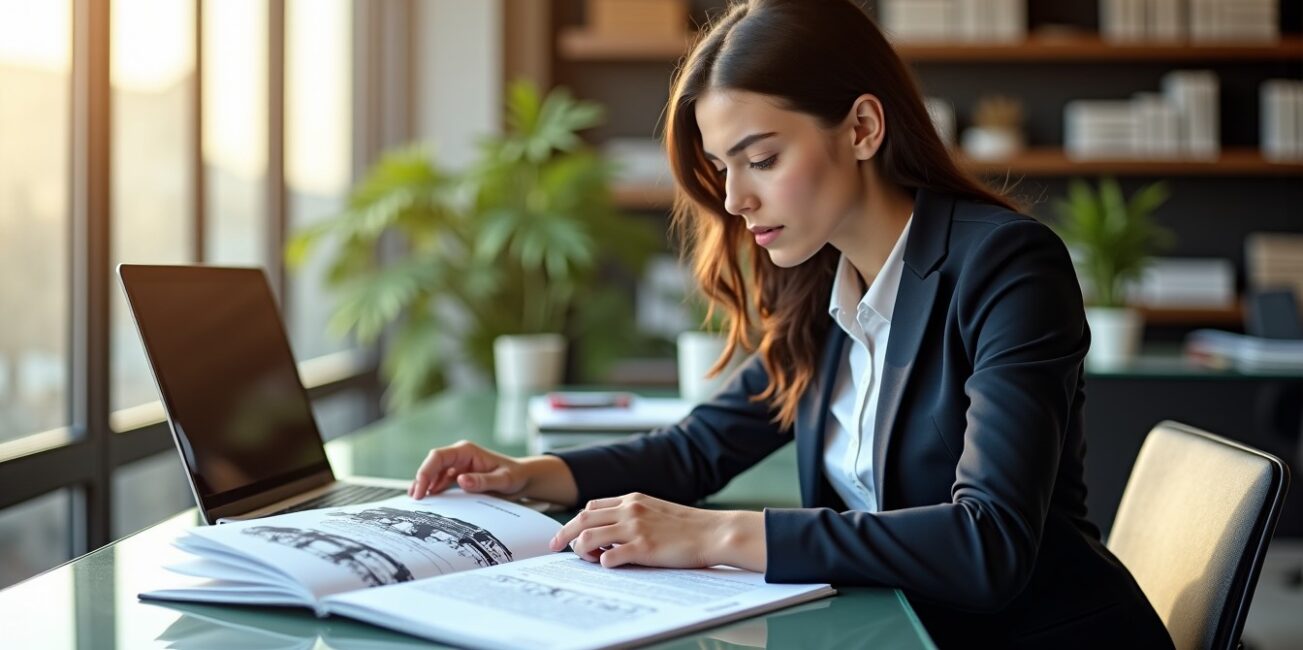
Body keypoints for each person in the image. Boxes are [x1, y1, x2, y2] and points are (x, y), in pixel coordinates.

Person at [407, 0, 1172, 646]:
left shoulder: (1005, 265)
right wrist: (524, 475)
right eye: (722, 167)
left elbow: (988, 542)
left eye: (762, 159)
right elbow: (697, 449)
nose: (734, 199)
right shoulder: (821, 285)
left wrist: (714, 534)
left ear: (862, 128)